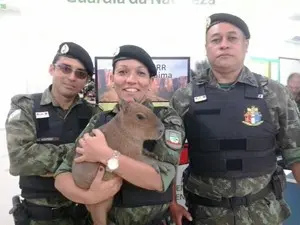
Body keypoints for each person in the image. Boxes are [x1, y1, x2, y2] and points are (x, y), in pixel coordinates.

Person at [169, 13, 300, 225]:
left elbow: (296, 152)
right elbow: (167, 159)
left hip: (263, 215)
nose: (224, 45)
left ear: (245, 45)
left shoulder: (274, 93)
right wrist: (172, 203)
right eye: (215, 39)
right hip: (206, 216)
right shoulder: (184, 98)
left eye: (232, 38)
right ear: (206, 47)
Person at [54, 44, 186, 225]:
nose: (131, 80)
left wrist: (106, 155)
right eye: (123, 72)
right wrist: (90, 196)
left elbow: (161, 179)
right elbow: (62, 174)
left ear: (152, 82)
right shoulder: (99, 119)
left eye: (140, 73)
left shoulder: (166, 119)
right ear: (112, 78)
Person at [6, 41, 120, 225]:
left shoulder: (94, 114)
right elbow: (21, 159)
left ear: (86, 81)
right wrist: (86, 153)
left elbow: (107, 156)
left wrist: (43, 155)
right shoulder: (26, 106)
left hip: (84, 214)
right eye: (65, 68)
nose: (72, 77)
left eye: (80, 73)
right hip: (40, 216)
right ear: (52, 69)